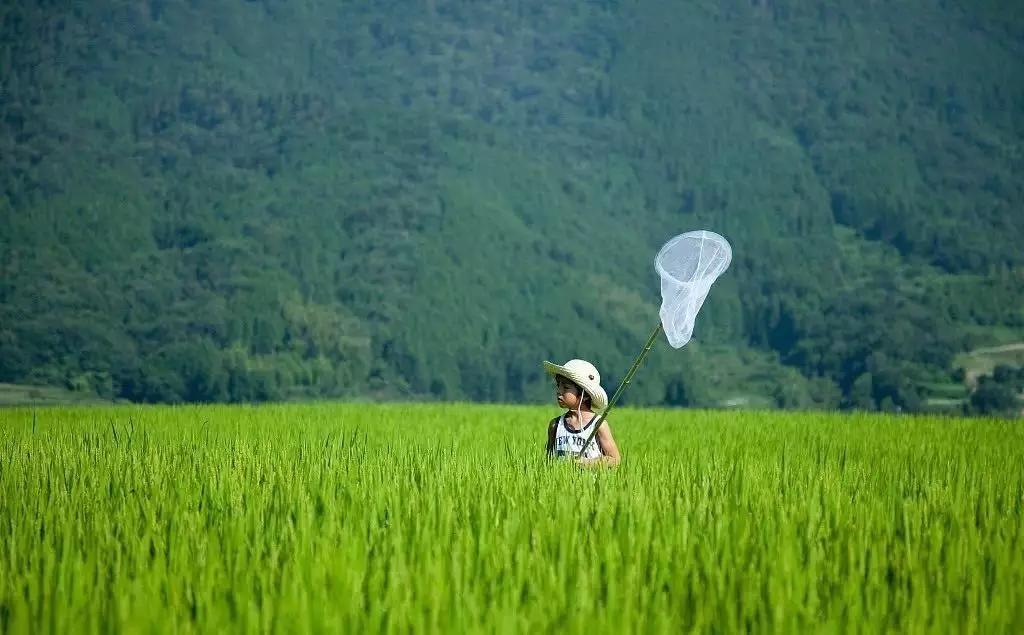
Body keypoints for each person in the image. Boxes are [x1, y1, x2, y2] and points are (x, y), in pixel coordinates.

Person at [543, 358, 621, 467]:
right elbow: (549, 461)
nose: (559, 391)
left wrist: (588, 463)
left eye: (565, 387)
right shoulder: (555, 425)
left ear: (584, 395)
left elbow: (614, 459)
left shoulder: (598, 424)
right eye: (558, 386)